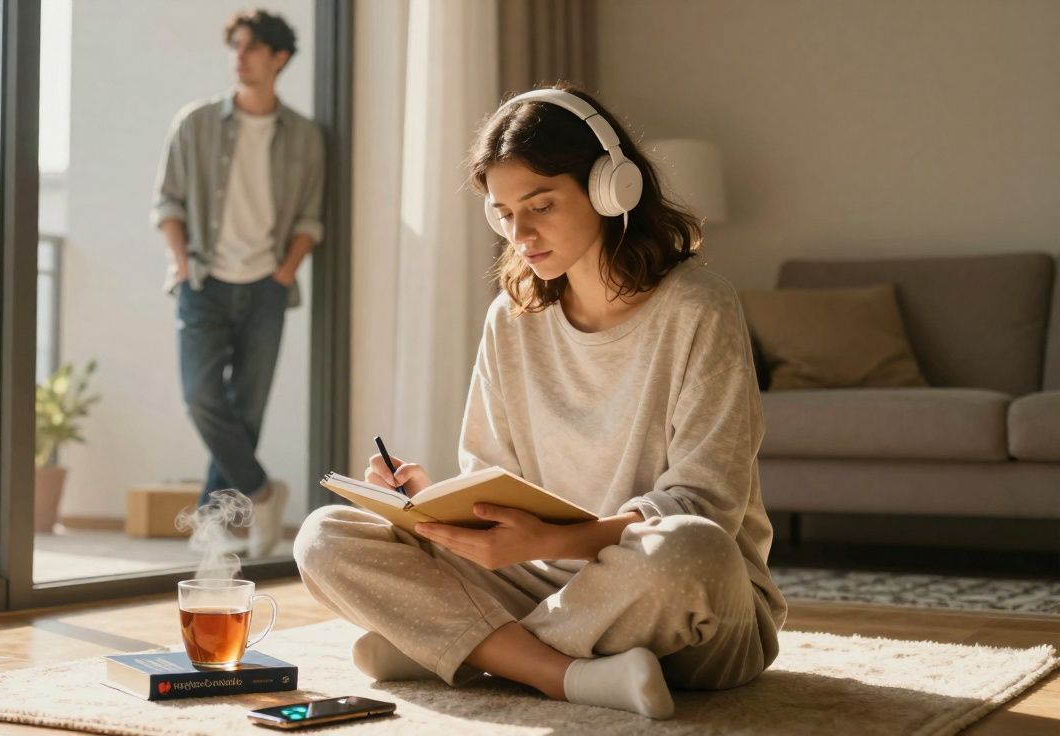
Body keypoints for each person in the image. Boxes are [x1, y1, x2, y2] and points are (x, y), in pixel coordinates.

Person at [293, 84, 786, 719]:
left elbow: (706, 505)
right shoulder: (512, 317)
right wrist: (435, 504)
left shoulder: (699, 306)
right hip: (540, 580)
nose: (519, 233)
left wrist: (554, 539)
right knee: (325, 537)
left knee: (690, 548)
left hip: (685, 603)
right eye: (503, 213)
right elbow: (495, 483)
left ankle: (470, 653)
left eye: (541, 205)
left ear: (612, 189)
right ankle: (563, 673)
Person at [152, 9, 325, 558]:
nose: (239, 56)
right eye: (236, 46)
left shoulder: (304, 136)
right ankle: (260, 492)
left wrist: (284, 271)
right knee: (202, 397)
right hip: (203, 281)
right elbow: (168, 201)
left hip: (267, 287)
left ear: (279, 58)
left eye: (251, 47)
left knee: (246, 411)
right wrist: (182, 265)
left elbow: (310, 218)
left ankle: (212, 521)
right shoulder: (196, 123)